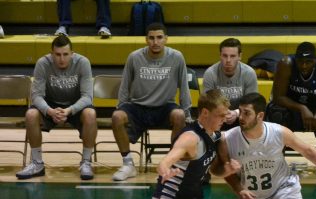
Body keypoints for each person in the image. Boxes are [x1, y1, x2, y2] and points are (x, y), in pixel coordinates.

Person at [111, 22, 191, 181]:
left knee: (180, 115)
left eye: (159, 37)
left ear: (166, 39)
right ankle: (128, 164)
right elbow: (125, 85)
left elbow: (184, 87)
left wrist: (187, 114)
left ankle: (171, 164)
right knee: (117, 117)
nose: (156, 42)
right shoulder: (134, 57)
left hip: (165, 107)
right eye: (152, 38)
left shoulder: (176, 57)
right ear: (146, 40)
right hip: (137, 107)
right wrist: (121, 106)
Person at [16, 35, 97, 180]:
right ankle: (37, 163)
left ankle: (86, 162)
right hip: (50, 105)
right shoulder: (43, 63)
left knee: (90, 113)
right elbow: (36, 96)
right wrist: (49, 111)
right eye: (58, 54)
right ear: (52, 54)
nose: (61, 59)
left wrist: (69, 110)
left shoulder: (83, 62)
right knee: (31, 115)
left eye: (65, 54)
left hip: (75, 106)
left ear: (72, 54)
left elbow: (87, 97)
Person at [202, 38, 258, 130]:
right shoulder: (210, 73)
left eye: (232, 56)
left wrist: (236, 113)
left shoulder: (249, 73)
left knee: (253, 114)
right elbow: (208, 103)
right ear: (220, 55)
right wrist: (223, 113)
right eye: (225, 56)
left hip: (241, 114)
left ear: (240, 56)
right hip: (218, 114)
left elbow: (252, 102)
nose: (228, 60)